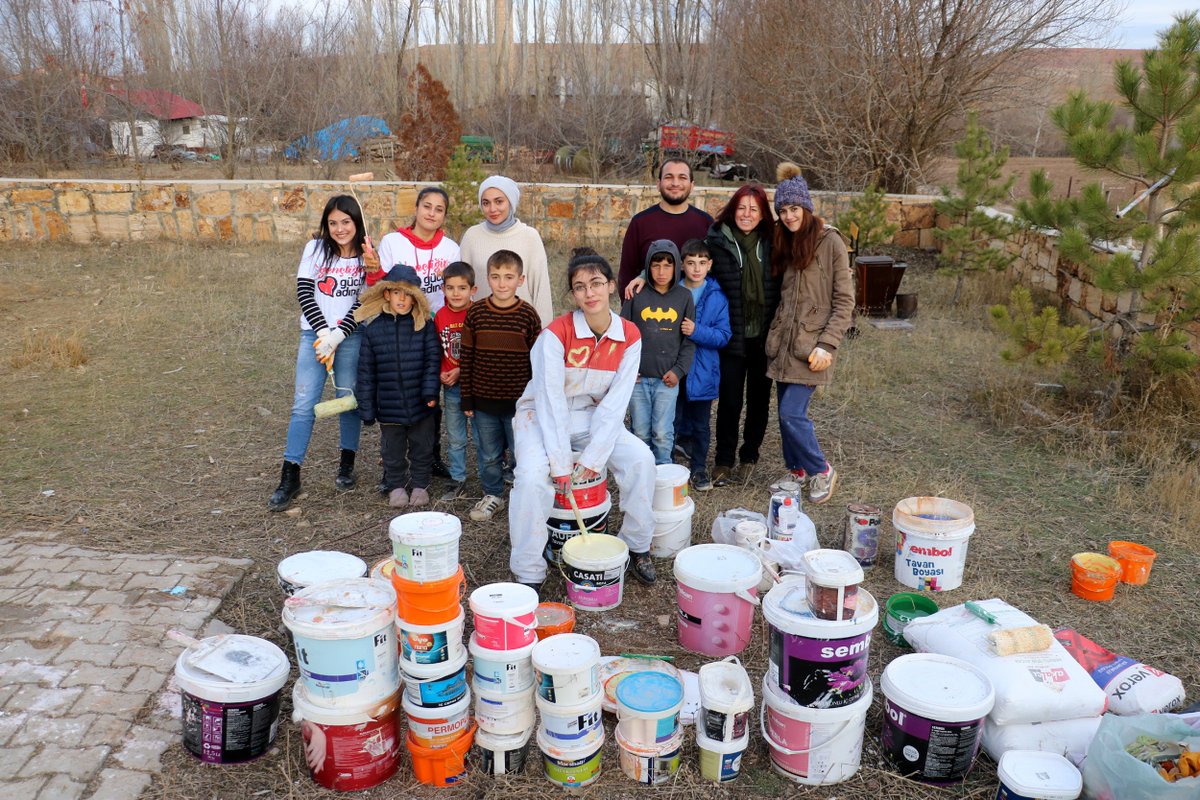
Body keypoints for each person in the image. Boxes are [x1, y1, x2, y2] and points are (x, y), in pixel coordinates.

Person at [508, 248, 658, 595]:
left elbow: (616, 403)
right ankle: (529, 569)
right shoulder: (555, 334)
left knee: (641, 460)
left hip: (593, 412)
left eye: (596, 283)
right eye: (579, 287)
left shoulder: (630, 336)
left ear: (610, 286)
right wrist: (561, 464)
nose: (589, 293)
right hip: (538, 412)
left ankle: (637, 546)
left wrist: (593, 458)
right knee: (531, 478)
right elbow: (549, 400)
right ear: (573, 294)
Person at [268, 195, 372, 512]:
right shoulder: (315, 250)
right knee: (303, 404)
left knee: (348, 402)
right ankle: (291, 475)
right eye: (333, 223)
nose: (340, 229)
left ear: (357, 223)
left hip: (350, 336)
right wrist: (324, 333)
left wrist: (339, 334)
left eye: (346, 222)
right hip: (314, 335)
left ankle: (346, 464)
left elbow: (365, 300)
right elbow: (304, 291)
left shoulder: (368, 256)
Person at [765, 163, 854, 505]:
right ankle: (796, 471)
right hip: (784, 343)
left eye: (794, 208)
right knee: (783, 414)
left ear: (807, 206)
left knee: (792, 413)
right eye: (783, 210)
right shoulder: (786, 241)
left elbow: (844, 300)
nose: (789, 216)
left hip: (812, 347)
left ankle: (821, 469)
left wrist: (828, 344)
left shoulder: (830, 241)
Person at [374, 186, 460, 479]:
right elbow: (380, 283)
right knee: (400, 389)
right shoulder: (393, 242)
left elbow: (453, 292)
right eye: (427, 206)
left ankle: (430, 455)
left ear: (444, 215)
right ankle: (393, 459)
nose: (431, 213)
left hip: (434, 328)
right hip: (401, 326)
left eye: (439, 209)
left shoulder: (450, 248)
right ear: (417, 208)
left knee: (429, 393)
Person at [705, 183, 780, 487]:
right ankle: (724, 460)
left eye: (754, 209)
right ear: (732, 209)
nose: (747, 214)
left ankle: (749, 456)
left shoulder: (774, 243)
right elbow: (691, 267)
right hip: (731, 336)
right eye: (742, 207)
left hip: (764, 336)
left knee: (759, 401)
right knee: (730, 402)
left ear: (763, 214)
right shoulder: (716, 241)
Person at [459, 250, 542, 522]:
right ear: (487, 279)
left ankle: (522, 494)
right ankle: (492, 493)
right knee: (489, 453)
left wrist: (535, 400)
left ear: (521, 280)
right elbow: (467, 358)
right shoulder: (476, 313)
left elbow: (536, 363)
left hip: (519, 404)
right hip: (484, 401)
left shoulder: (528, 316)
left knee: (522, 452)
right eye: (496, 277)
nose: (502, 283)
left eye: (508, 277)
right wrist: (467, 398)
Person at [353, 265, 442, 508]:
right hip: (389, 407)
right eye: (396, 293)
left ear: (415, 297)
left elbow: (432, 361)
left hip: (421, 404)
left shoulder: (424, 327)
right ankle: (396, 486)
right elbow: (366, 372)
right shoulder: (373, 331)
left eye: (407, 294)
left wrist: (430, 392)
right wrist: (367, 407)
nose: (401, 299)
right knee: (392, 450)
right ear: (386, 295)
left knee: (422, 447)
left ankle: (421, 485)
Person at [620, 240, 695, 465]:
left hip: (667, 380)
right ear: (647, 267)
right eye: (655, 265)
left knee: (663, 434)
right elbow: (622, 336)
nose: (661, 272)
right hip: (638, 380)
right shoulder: (636, 295)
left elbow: (688, 341)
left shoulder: (684, 297)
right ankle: (641, 475)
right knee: (640, 433)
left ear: (677, 267)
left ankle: (663, 478)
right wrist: (627, 370)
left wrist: (679, 371)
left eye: (667, 266)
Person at [673, 239, 731, 491]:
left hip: (703, 371)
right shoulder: (672, 291)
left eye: (702, 263)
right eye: (691, 263)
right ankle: (670, 470)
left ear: (710, 265)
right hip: (674, 368)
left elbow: (723, 335)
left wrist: (696, 331)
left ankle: (698, 468)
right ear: (682, 265)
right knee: (670, 421)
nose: (696, 268)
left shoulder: (717, 296)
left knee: (700, 424)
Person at [459, 176, 554, 327]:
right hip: (482, 327)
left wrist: (544, 334)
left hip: (522, 328)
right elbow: (461, 284)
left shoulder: (529, 236)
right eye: (486, 203)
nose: (492, 209)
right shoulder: (472, 236)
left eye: (499, 201)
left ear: (511, 201)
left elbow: (541, 289)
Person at [617, 159, 713, 295]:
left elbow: (715, 273)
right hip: (650, 310)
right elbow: (627, 273)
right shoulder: (640, 222)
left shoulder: (706, 223)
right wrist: (628, 310)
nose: (675, 183)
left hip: (696, 311)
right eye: (669, 177)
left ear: (692, 185)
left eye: (682, 177)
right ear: (658, 184)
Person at [433, 261, 477, 501]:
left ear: (473, 289)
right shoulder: (440, 316)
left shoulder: (477, 312)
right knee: (456, 436)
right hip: (451, 386)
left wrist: (460, 369)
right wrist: (443, 371)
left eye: (462, 288)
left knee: (482, 435)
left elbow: (482, 351)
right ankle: (458, 478)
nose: (456, 293)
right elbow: (438, 349)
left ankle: (489, 476)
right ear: (443, 289)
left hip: (475, 384)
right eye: (451, 288)